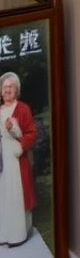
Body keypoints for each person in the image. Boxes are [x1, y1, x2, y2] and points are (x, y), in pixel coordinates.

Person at [0, 72, 36, 246]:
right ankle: (3, 233)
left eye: (11, 87)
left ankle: (17, 234)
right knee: (3, 195)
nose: (7, 90)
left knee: (15, 195)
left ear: (16, 90)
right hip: (1, 160)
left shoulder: (23, 109)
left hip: (15, 159)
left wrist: (21, 146)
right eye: (4, 87)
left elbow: (31, 133)